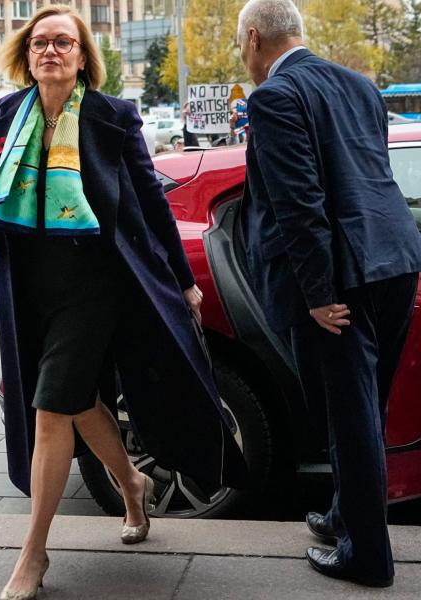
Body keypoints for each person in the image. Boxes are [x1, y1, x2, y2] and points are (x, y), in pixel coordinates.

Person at [0, 7, 248, 598]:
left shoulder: (112, 115)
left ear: (82, 52)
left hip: (93, 284)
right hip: (26, 285)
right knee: (81, 403)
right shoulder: (12, 112)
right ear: (27, 52)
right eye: (40, 42)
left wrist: (181, 280)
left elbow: (148, 196)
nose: (51, 51)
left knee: (50, 409)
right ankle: (133, 488)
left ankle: (34, 555)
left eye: (63, 42)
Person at [236, 0, 421, 588]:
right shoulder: (358, 85)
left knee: (350, 417)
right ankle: (347, 513)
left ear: (254, 36)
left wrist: (316, 293)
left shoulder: (272, 96)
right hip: (396, 259)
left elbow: (299, 203)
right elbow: (368, 176)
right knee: (368, 407)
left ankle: (366, 554)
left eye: (243, 44)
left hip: (340, 281)